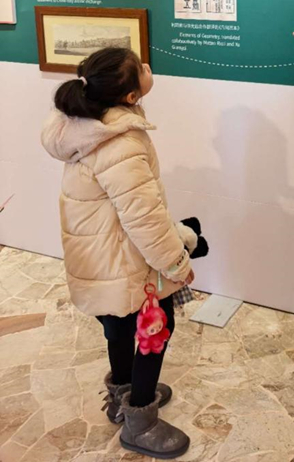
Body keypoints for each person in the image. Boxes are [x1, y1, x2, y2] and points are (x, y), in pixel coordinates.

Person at [41, 47, 199, 459]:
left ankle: (123, 394)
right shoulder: (121, 142)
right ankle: (140, 422)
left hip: (99, 260)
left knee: (118, 327)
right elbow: (145, 219)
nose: (148, 68)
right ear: (131, 96)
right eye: (141, 68)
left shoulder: (83, 124)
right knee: (155, 329)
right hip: (123, 263)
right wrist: (177, 263)